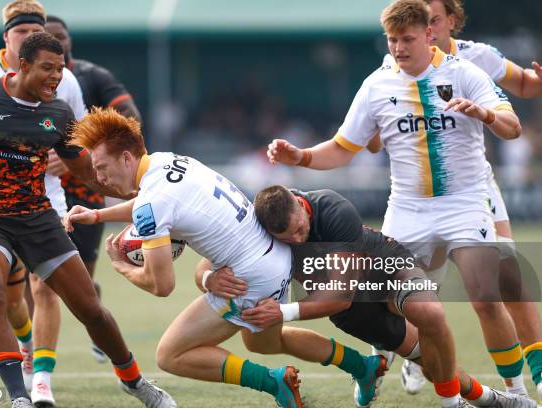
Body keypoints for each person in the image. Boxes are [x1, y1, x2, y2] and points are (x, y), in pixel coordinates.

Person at [63, 107, 411, 408]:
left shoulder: (153, 202)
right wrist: (96, 215)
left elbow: (162, 285)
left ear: (126, 158)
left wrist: (122, 267)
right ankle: (360, 367)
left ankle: (274, 382)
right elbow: (149, 206)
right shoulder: (169, 162)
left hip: (250, 274)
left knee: (169, 355)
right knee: (262, 341)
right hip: (272, 257)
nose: (99, 177)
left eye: (102, 166)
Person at [267, 0, 524, 404]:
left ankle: (517, 392)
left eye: (407, 39)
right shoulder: (376, 85)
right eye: (392, 40)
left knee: (484, 295)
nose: (399, 48)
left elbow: (514, 127)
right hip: (408, 208)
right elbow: (341, 147)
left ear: (429, 34)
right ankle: (395, 360)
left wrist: (485, 115)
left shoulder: (465, 73)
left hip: (464, 202)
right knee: (378, 297)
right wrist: (300, 156)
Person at [0, 32, 174, 408]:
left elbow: (85, 171)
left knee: (90, 307)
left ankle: (135, 382)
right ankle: (19, 397)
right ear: (22, 65)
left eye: (60, 69)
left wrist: (130, 191)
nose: (55, 77)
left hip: (38, 218)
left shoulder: (58, 113)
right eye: (47, 68)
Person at [202, 185, 537, 408]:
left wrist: (283, 312)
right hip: (356, 313)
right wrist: (208, 277)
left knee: (431, 314)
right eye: (288, 238)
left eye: (300, 229)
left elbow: (341, 295)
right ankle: (491, 400)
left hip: (383, 267)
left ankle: (454, 404)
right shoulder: (258, 228)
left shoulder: (333, 209)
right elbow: (206, 263)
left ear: (300, 205)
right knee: (434, 368)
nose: (298, 239)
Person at [387, 0, 542, 398]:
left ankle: (531, 379)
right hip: (419, 195)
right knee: (419, 283)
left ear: (450, 22)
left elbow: (524, 85)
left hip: (475, 187)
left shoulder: (476, 57)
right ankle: (413, 352)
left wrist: (537, 81)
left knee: (507, 276)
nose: (427, 28)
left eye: (434, 19)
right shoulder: (396, 68)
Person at [0, 2, 87, 405]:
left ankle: (42, 382)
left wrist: (66, 153)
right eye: (21, 31)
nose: (28, 37)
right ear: (6, 38)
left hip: (47, 196)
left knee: (45, 286)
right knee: (8, 300)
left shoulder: (66, 80)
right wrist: (12, 146)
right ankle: (25, 345)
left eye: (36, 30)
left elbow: (79, 134)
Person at [45, 14, 141, 365]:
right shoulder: (23, 85)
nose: (60, 41)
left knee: (78, 279)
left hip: (86, 186)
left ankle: (95, 311)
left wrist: (84, 155)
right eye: (50, 36)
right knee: (38, 279)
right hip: (40, 190)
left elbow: (130, 118)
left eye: (63, 35)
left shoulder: (91, 76)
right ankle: (35, 364)